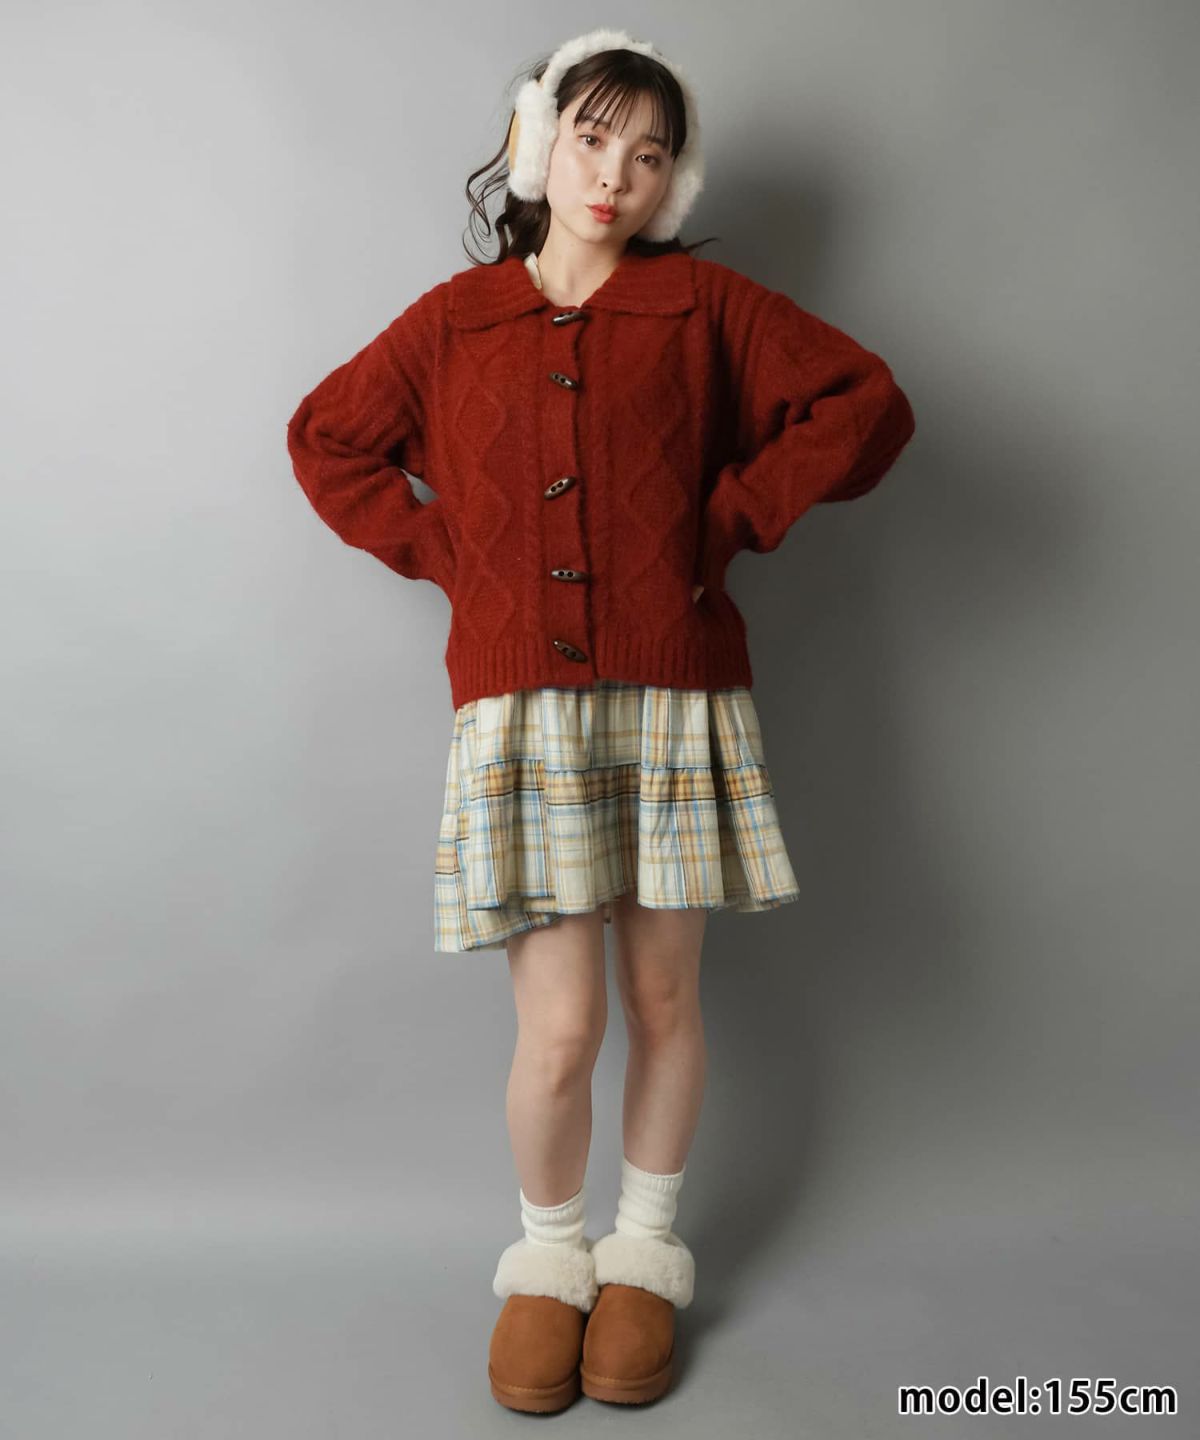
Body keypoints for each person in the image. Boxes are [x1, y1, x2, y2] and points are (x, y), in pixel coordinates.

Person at [286, 26, 916, 1413]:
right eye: (592, 139)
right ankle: (550, 1260)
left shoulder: (705, 309)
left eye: (649, 154)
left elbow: (865, 404)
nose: (614, 175)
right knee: (562, 1027)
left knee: (665, 998)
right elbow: (327, 437)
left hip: (675, 695)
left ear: (672, 181)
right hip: (524, 710)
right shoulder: (454, 323)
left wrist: (732, 515)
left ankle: (642, 1256)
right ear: (538, 139)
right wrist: (450, 553)